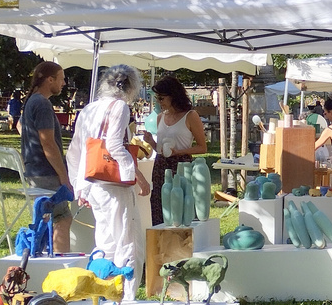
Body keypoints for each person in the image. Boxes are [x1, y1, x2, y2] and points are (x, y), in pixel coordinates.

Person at [65, 65, 149, 270]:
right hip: (113, 184)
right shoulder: (119, 107)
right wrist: (136, 175)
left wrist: (79, 186)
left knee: (105, 242)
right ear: (130, 86)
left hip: (92, 182)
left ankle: (104, 288)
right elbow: (113, 146)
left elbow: (74, 150)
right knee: (128, 242)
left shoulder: (89, 109)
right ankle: (126, 294)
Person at [20, 62, 75, 252]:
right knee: (62, 218)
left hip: (34, 170)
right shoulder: (42, 103)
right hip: (46, 172)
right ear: (49, 80)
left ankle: (47, 254)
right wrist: (64, 177)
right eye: (61, 79)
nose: (64, 83)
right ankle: (61, 264)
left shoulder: (31, 101)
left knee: (48, 218)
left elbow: (20, 127)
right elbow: (48, 143)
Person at [144, 75, 207, 227]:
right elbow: (161, 149)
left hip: (181, 166)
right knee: (160, 206)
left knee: (181, 206)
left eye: (162, 98)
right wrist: (152, 142)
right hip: (161, 166)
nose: (159, 102)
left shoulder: (190, 116)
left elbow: (202, 147)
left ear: (173, 96)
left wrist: (178, 152)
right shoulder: (160, 117)